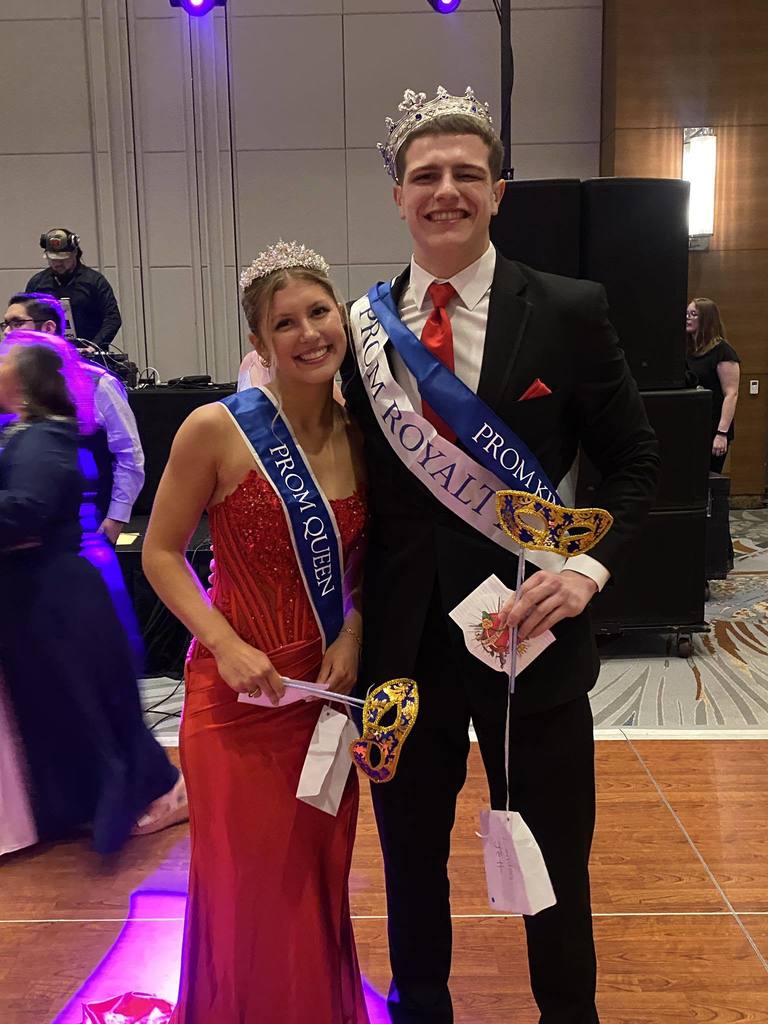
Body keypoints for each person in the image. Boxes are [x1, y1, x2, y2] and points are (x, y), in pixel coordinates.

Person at [342, 86, 661, 1023]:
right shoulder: (359, 334)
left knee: (556, 860)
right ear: (397, 195)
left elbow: (637, 461)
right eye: (426, 175)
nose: (447, 191)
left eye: (467, 174)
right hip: (402, 646)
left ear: (500, 191)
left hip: (533, 635)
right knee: (408, 860)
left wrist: (584, 572)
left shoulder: (567, 308)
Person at [142, 241, 369, 1023]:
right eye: (284, 322)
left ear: (340, 318)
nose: (308, 333)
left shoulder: (363, 433)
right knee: (248, 894)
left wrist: (355, 635)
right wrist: (227, 644)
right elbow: (162, 554)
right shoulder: (216, 429)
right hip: (237, 698)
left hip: (324, 698)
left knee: (314, 884)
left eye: (319, 312)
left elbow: (374, 564)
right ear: (259, 343)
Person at [0, 331, 185, 856]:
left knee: (87, 703)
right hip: (39, 593)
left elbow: (24, 511)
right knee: (63, 705)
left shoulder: (42, 438)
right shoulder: (25, 432)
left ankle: (155, 791)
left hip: (57, 597)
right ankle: (82, 803)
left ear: (25, 379)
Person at [3, 292, 144, 543]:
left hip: (84, 531)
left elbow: (128, 455)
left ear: (48, 328)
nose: (6, 333)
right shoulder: (10, 388)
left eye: (15, 323)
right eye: (5, 325)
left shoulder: (98, 383)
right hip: (22, 535)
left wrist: (116, 518)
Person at [26, 228, 122, 351]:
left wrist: (93, 347)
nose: (57, 264)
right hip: (49, 355)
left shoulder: (94, 281)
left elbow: (112, 318)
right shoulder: (37, 283)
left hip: (89, 355)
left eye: (63, 259)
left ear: (75, 253)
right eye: (52, 259)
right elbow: (26, 317)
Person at [685, 297, 741, 473]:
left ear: (706, 320)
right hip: (691, 425)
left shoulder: (723, 352)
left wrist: (721, 434)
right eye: (686, 313)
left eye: (693, 314)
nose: (687, 317)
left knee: (708, 480)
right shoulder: (687, 349)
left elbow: (731, 394)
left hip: (713, 428)